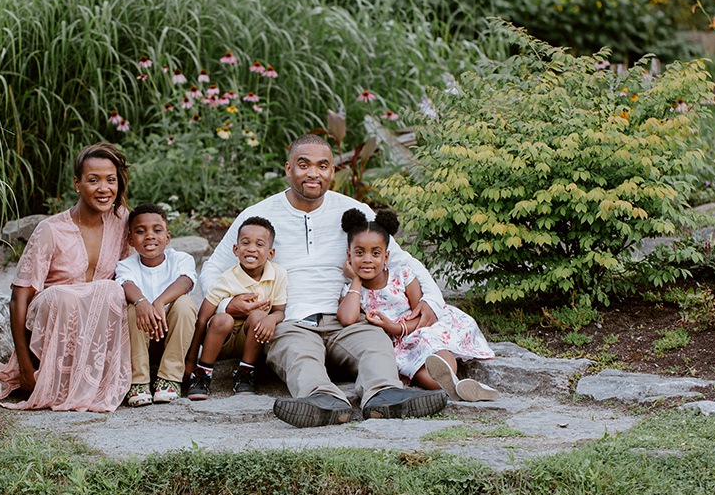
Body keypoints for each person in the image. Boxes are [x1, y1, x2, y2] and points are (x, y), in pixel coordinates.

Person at [198, 134, 449, 427]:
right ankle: (322, 401)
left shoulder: (354, 212)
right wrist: (228, 303)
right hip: (290, 321)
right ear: (288, 168)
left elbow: (401, 260)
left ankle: (384, 396)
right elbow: (213, 267)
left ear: (332, 171)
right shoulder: (258, 215)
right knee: (297, 353)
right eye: (303, 165)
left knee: (376, 343)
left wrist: (432, 298)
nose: (313, 173)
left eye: (322, 165)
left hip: (348, 319)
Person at [0, 142, 132, 411]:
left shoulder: (122, 221)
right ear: (77, 184)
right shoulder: (51, 230)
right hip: (53, 328)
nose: (104, 188)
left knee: (115, 290)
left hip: (98, 335)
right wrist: (23, 366)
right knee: (63, 296)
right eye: (93, 180)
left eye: (110, 180)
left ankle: (101, 378)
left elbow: (135, 273)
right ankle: (49, 374)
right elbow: (19, 299)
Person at [338, 208, 498, 402]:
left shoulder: (402, 275)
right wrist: (355, 280)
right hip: (398, 347)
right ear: (349, 256)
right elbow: (347, 319)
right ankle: (454, 387)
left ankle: (452, 379)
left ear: (386, 257)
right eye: (359, 253)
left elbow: (422, 315)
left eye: (375, 253)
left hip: (418, 330)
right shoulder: (352, 292)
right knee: (419, 372)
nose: (367, 259)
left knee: (434, 348)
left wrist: (396, 327)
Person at [187, 217, 287, 399]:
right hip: (222, 340)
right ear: (236, 249)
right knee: (222, 318)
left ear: (270, 253)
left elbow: (280, 311)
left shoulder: (278, 274)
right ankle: (202, 373)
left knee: (259, 316)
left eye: (259, 244)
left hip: (250, 339)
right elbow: (202, 318)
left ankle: (245, 374)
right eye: (245, 243)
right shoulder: (226, 279)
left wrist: (271, 318)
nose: (251, 248)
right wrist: (190, 360)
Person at [116, 203, 197, 406]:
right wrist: (142, 302)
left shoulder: (180, 258)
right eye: (140, 231)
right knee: (133, 308)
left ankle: (169, 378)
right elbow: (126, 283)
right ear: (130, 239)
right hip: (141, 343)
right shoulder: (126, 265)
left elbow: (186, 280)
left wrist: (160, 301)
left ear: (167, 237)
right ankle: (139, 381)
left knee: (185, 303)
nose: (150, 236)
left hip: (173, 340)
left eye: (157, 230)